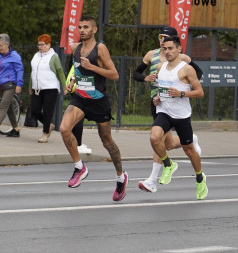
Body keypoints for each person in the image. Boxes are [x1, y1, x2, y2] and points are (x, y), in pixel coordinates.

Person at [59, 16, 128, 201]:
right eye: (80, 27)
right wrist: (72, 81)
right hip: (80, 98)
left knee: (107, 142)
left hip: (98, 101)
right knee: (64, 128)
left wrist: (93, 67)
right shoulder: (75, 48)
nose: (82, 30)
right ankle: (79, 167)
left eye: (86, 27)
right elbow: (78, 71)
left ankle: (121, 177)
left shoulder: (100, 49)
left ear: (94, 30)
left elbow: (114, 75)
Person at [138, 36, 208, 199]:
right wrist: (158, 99)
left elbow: (200, 92)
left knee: (189, 151)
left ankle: (199, 178)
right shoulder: (161, 67)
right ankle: (168, 164)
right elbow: (163, 89)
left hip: (181, 116)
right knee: (154, 138)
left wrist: (181, 93)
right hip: (164, 112)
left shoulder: (186, 69)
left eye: (170, 48)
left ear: (179, 50)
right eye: (165, 49)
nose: (167, 51)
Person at [132, 25, 203, 156]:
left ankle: (156, 175)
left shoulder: (182, 58)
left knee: (158, 139)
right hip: (157, 100)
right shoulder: (151, 54)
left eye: (165, 38)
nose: (162, 40)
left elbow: (199, 72)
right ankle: (191, 139)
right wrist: (145, 78)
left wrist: (186, 87)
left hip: (176, 100)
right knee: (168, 144)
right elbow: (136, 74)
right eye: (160, 37)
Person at [29, 34, 65, 143]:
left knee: (48, 111)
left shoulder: (54, 56)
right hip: (37, 88)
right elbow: (33, 72)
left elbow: (60, 72)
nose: (40, 47)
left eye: (42, 44)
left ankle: (45, 133)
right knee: (34, 110)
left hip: (50, 87)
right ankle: (49, 125)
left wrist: (64, 86)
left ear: (48, 44)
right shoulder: (36, 55)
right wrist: (31, 86)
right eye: (39, 44)